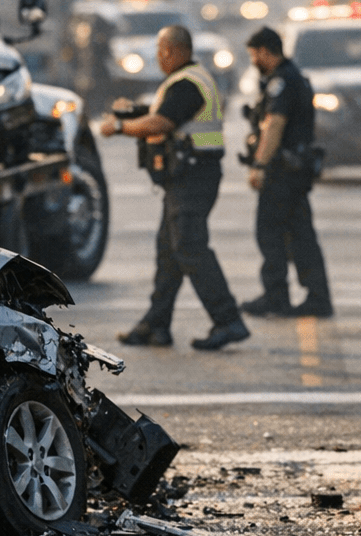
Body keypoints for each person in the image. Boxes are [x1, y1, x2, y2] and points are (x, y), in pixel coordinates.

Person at [98, 25, 249, 351]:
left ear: (171, 51)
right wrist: (133, 111)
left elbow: (162, 123)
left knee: (190, 248)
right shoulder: (189, 80)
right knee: (169, 253)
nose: (158, 58)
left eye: (160, 51)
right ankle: (155, 325)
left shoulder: (187, 84)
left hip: (193, 177)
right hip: (188, 177)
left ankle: (228, 321)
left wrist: (120, 126)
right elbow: (163, 113)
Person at [239, 26, 333, 318]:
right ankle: (317, 297)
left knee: (269, 233)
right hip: (297, 171)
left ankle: (275, 296)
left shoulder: (281, 82)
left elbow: (274, 125)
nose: (253, 60)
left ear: (266, 52)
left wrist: (259, 165)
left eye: (255, 55)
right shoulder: (296, 78)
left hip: (282, 172)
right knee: (301, 234)